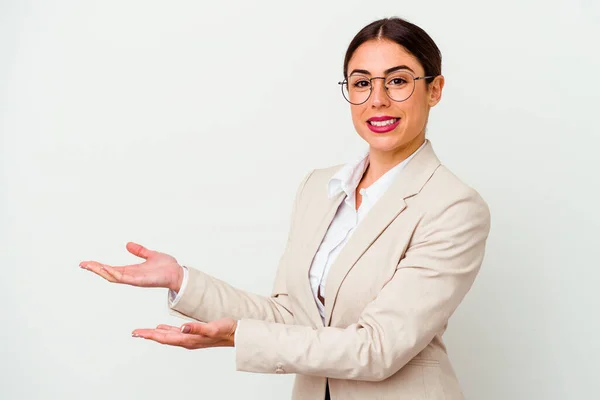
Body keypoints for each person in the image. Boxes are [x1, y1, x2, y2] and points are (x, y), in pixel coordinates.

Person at [80, 16, 491, 400]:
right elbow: (291, 314)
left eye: (398, 81)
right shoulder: (319, 188)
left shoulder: (453, 207)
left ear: (434, 89)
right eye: (361, 83)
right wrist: (182, 280)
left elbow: (378, 347)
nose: (377, 100)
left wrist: (239, 337)